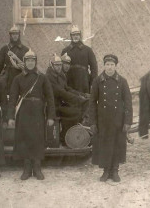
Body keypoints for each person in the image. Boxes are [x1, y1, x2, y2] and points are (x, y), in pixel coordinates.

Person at [8, 49, 55, 180]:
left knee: (37, 139)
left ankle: (37, 167)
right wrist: (11, 116)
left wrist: (51, 116)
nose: (30, 63)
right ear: (24, 62)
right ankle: (27, 168)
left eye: (32, 60)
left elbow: (50, 98)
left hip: (38, 112)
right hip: (23, 112)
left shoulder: (42, 78)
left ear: (35, 62)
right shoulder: (18, 79)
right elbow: (12, 98)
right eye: (27, 60)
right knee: (24, 139)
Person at [89, 54, 132, 183]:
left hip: (118, 119)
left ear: (115, 66)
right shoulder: (98, 81)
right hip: (103, 120)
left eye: (112, 65)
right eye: (107, 65)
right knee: (104, 145)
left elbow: (128, 102)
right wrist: (93, 122)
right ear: (104, 65)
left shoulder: (122, 81)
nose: (109, 67)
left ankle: (115, 170)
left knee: (117, 145)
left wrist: (127, 121)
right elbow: (92, 102)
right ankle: (106, 171)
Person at [45, 54, 89, 143]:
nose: (59, 67)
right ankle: (64, 137)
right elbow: (61, 92)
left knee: (77, 110)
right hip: (53, 108)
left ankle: (69, 136)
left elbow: (67, 89)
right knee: (76, 113)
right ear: (51, 65)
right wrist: (78, 100)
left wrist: (83, 95)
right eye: (56, 65)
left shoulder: (61, 76)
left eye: (60, 65)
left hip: (60, 104)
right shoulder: (49, 77)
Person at [61, 25, 97, 93]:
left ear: (80, 35)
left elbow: (94, 67)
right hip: (70, 80)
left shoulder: (87, 50)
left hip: (83, 81)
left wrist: (93, 82)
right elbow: (62, 69)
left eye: (77, 34)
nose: (76, 36)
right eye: (73, 35)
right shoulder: (65, 51)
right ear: (71, 36)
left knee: (84, 100)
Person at [0, 24, 28, 95]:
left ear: (19, 35)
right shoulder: (4, 49)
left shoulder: (25, 49)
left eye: (16, 34)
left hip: (20, 75)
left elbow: (27, 66)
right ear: (10, 35)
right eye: (13, 34)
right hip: (8, 77)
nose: (15, 36)